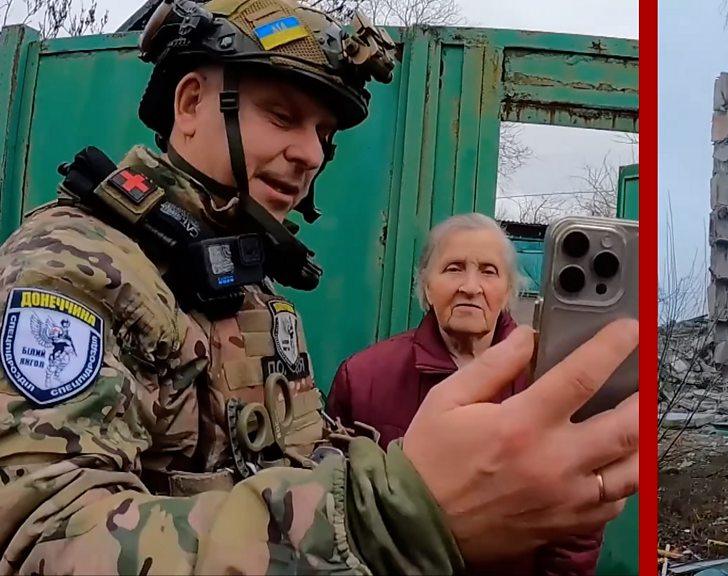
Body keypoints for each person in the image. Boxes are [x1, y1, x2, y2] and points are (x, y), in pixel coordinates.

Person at [0, 0, 640, 574]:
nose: (310, 154)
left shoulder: (249, 293)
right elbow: (40, 538)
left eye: (324, 137)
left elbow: (306, 453)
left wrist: (470, 481)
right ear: (191, 103)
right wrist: (389, 517)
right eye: (283, 116)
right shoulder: (73, 264)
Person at [328, 213, 604, 575]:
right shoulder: (363, 377)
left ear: (508, 291)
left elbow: (577, 523)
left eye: (489, 271)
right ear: (426, 286)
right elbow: (335, 507)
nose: (471, 286)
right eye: (454, 268)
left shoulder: (548, 380)